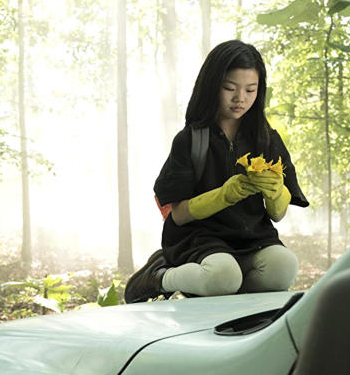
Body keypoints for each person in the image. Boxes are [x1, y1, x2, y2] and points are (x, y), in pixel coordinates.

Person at [125, 40, 308, 303]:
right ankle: (160, 276)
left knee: (284, 268)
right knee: (223, 275)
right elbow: (178, 214)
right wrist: (225, 195)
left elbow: (277, 215)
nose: (240, 98)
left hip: (253, 238)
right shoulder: (191, 140)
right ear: (212, 86)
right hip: (200, 239)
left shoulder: (267, 140)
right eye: (229, 88)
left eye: (250, 90)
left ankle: (228, 292)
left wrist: (277, 191)